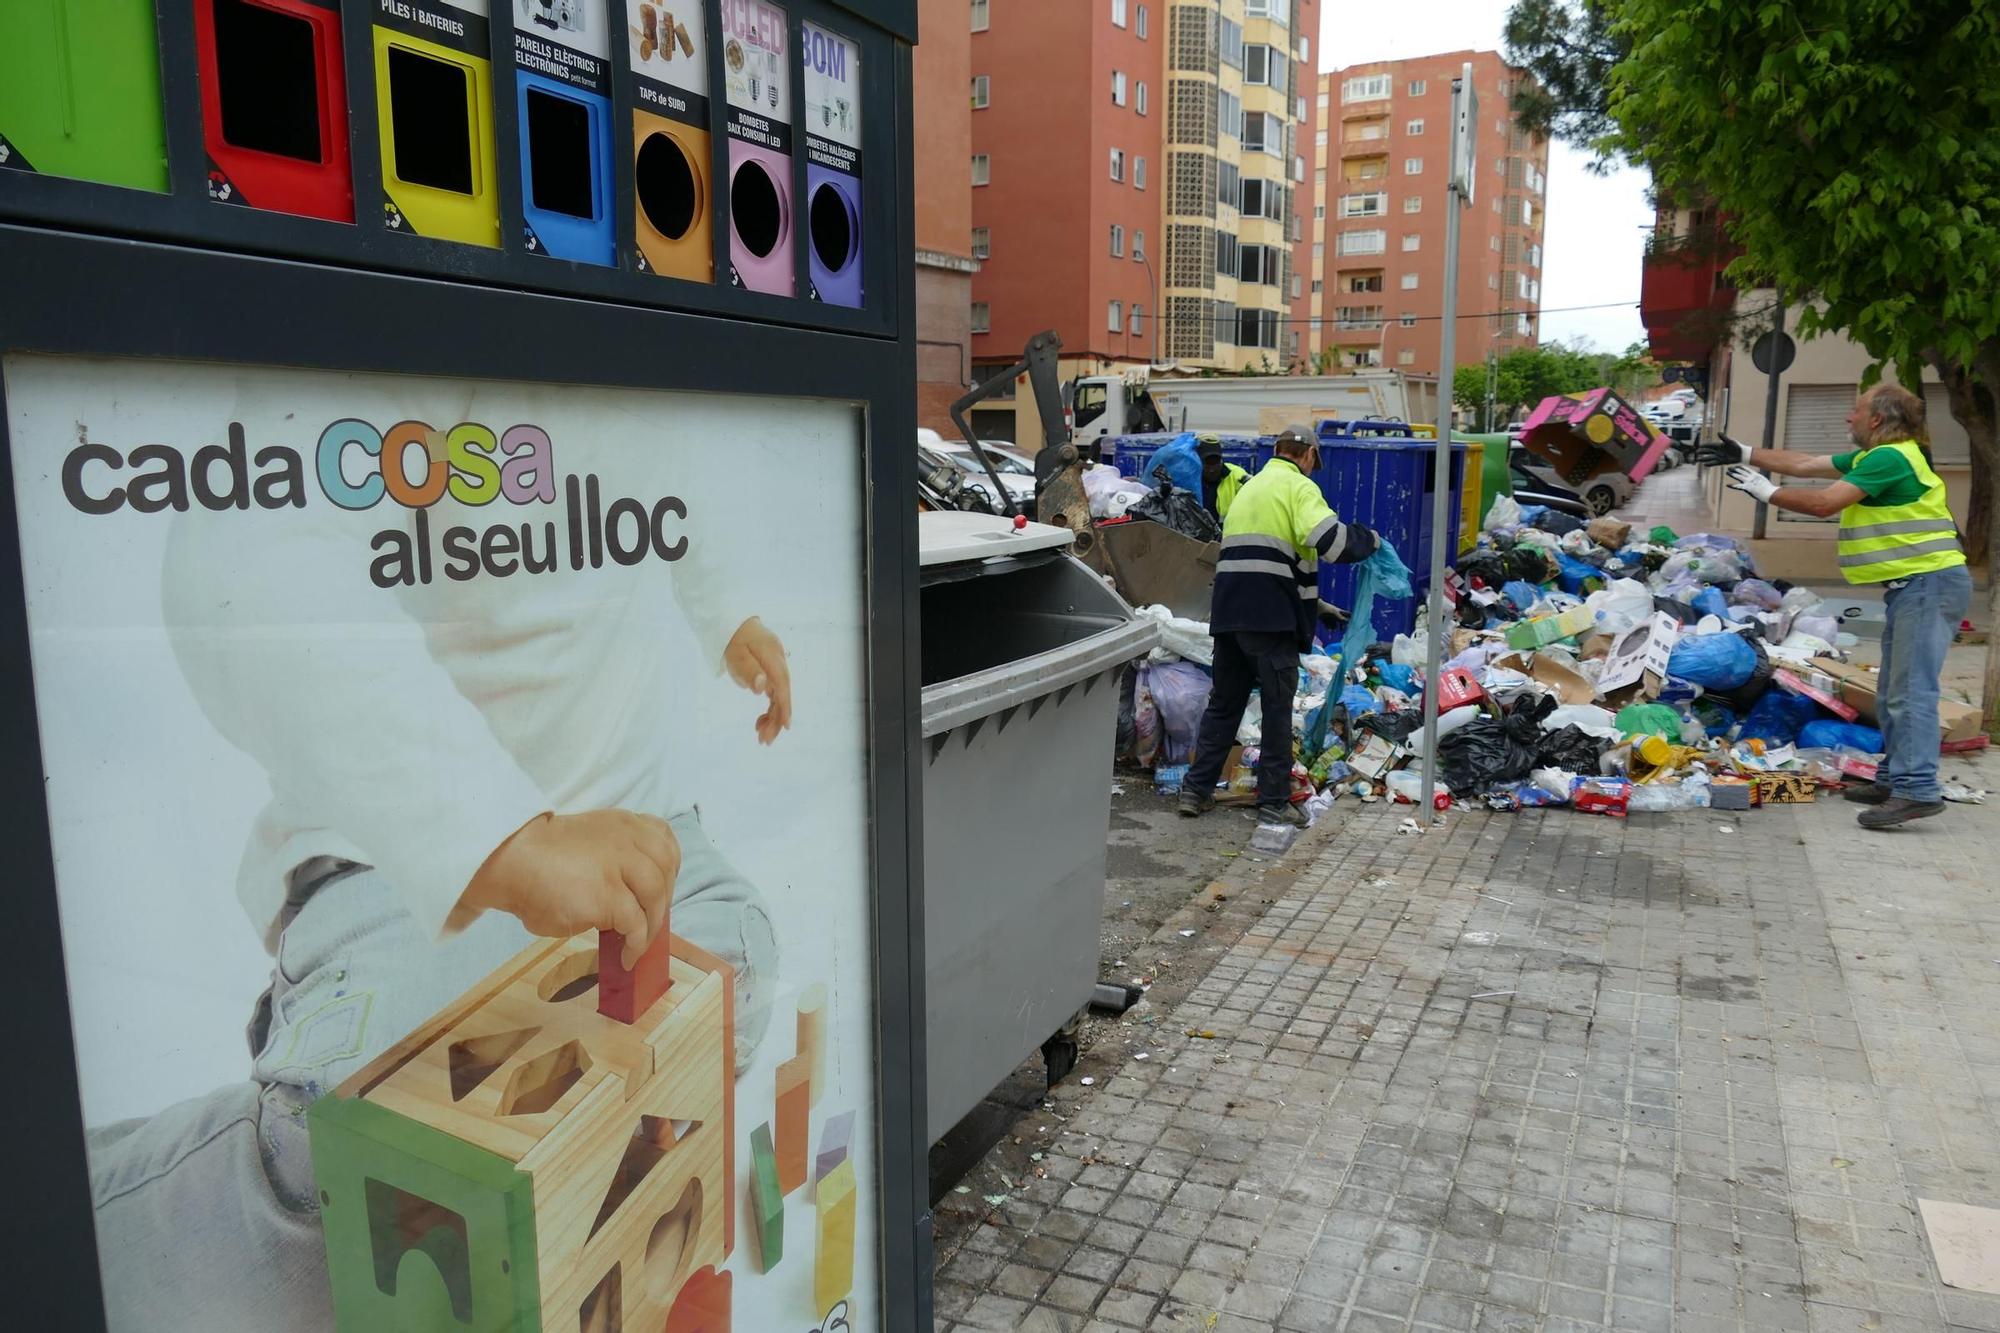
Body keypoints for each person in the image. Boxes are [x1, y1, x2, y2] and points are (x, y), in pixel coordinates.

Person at [86, 395, 789, 1330]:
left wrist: (728, 613)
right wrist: (505, 837)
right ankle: (74, 1206)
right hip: (401, 855)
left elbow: (673, 480)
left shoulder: (634, 369)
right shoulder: (386, 356)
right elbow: (242, 559)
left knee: (727, 974)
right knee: (374, 1182)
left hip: (627, 821)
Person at [1701, 383, 1971, 827]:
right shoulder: (1878, 456)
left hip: (1928, 585)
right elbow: (1805, 464)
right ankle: (1893, 779)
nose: (1849, 417)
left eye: (1856, 410)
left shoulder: (1889, 458)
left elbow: (1825, 502)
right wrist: (1746, 453)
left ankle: (1917, 788)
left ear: (1877, 419)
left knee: (1910, 692)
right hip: (1917, 587)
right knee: (1893, 691)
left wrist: (1768, 493)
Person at [1180, 426, 1377, 826]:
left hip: (1230, 614)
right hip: (1269, 619)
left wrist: (1317, 606)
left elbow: (1263, 559)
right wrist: (1369, 540)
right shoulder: (1299, 487)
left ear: (1276, 449)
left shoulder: (1248, 489)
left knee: (1224, 706)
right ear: (1309, 456)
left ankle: (1195, 791)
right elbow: (1332, 542)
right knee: (1276, 708)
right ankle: (1273, 799)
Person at [1197, 433, 1249, 522]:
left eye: (1215, 463)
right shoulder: (1190, 478)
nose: (1212, 469)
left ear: (1221, 460)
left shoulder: (1237, 476)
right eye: (1207, 464)